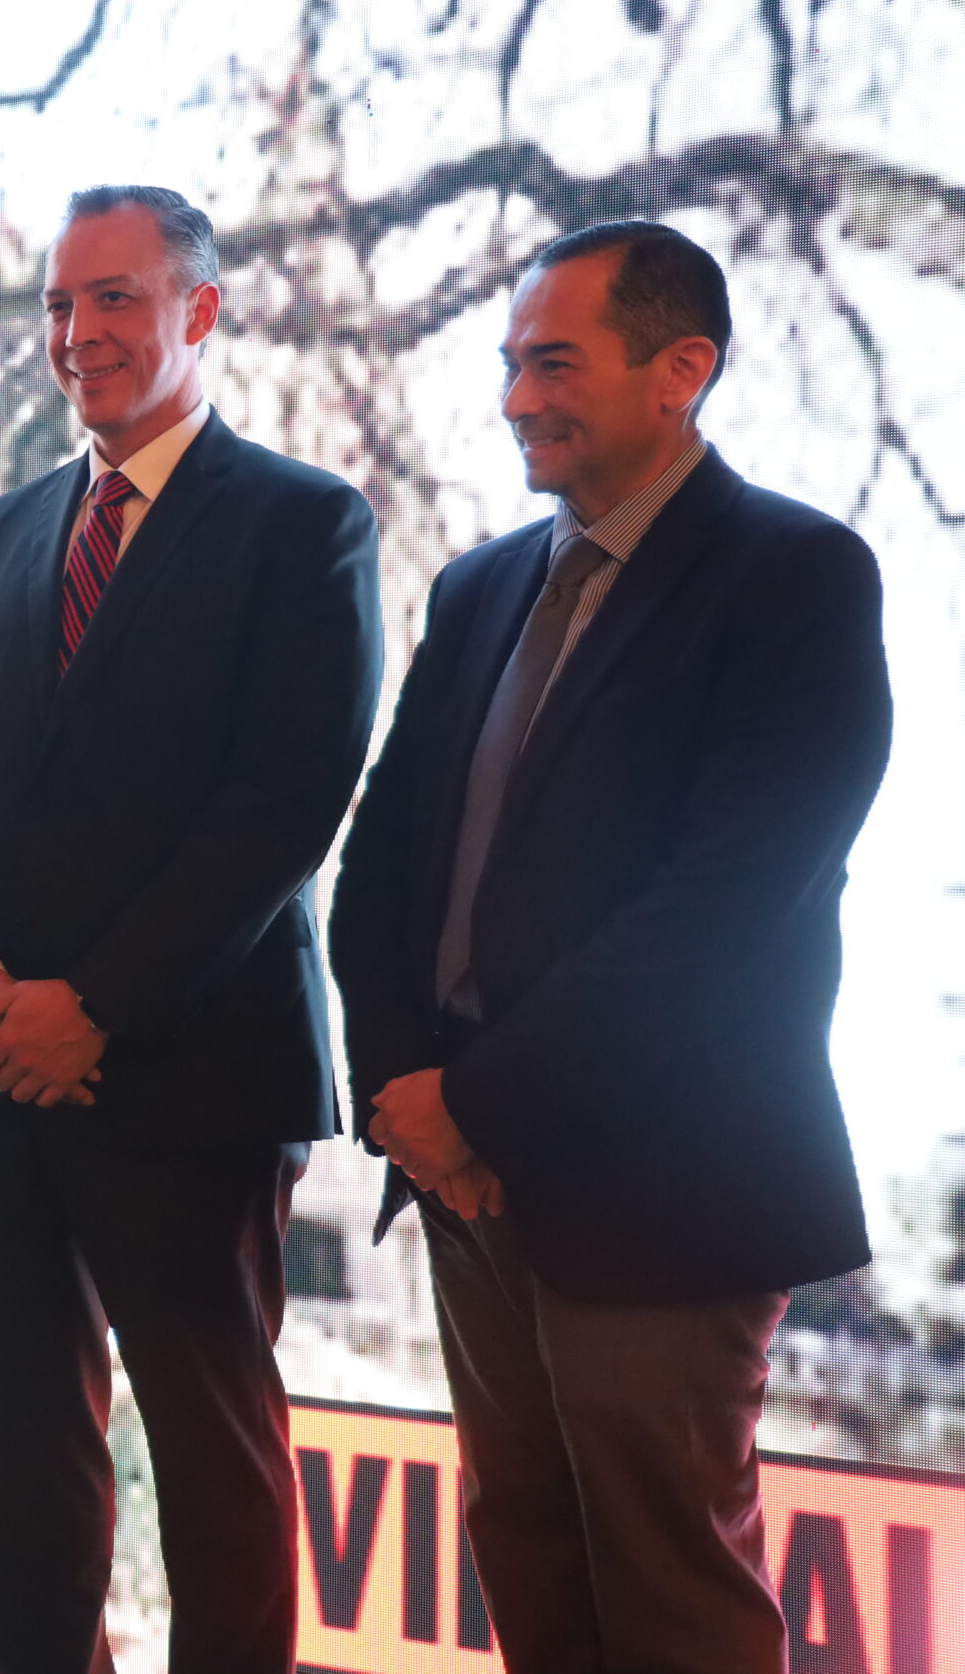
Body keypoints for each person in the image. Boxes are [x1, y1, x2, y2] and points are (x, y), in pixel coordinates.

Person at [331, 220, 893, 1671]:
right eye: (511, 364)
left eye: (555, 364)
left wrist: (477, 1106)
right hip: (463, 1176)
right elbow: (382, 863)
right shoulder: (479, 588)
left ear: (680, 370)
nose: (516, 398)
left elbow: (719, 917)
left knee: (668, 1586)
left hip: (665, 1186)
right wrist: (407, 1098)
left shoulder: (798, 577)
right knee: (526, 1550)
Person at [0, 186, 382, 1672]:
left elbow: (284, 801)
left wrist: (90, 1004)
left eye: (113, 298)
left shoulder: (306, 523)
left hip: (196, 1071)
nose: (76, 332)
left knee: (215, 1457)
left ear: (199, 311)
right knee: (25, 1449)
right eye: (58, 304)